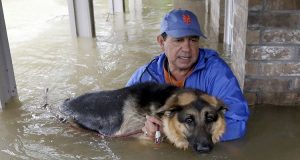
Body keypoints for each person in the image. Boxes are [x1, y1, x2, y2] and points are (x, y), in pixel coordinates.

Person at [126, 9, 249, 141]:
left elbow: (237, 122)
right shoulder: (146, 76)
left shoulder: (216, 72)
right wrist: (144, 130)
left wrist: (175, 133)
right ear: (162, 42)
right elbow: (120, 119)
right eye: (179, 40)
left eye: (193, 40)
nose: (187, 49)